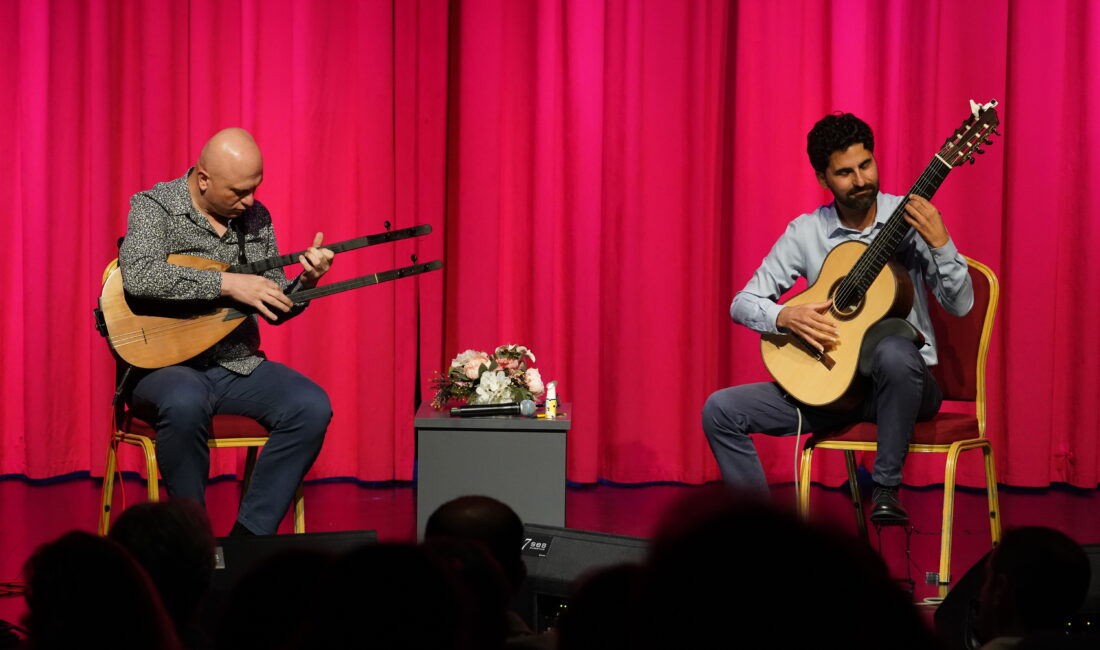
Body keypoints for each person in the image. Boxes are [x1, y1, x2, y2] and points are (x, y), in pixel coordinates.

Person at [702, 112, 974, 523]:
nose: (861, 179)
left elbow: (960, 305)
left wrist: (941, 242)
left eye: (866, 165)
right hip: (835, 391)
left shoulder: (911, 218)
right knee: (720, 409)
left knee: (893, 351)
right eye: (844, 173)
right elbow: (742, 301)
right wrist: (786, 315)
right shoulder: (807, 232)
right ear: (822, 178)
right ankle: (758, 531)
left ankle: (884, 490)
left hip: (906, 388)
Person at [118, 127, 334, 535]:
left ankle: (247, 539)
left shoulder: (255, 218)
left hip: (234, 364)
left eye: (254, 189)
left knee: (310, 406)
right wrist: (227, 283)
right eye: (238, 192)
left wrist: (306, 283)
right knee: (185, 400)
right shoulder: (154, 208)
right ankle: (192, 538)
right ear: (203, 179)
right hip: (159, 366)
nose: (249, 201)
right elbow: (140, 276)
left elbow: (275, 308)